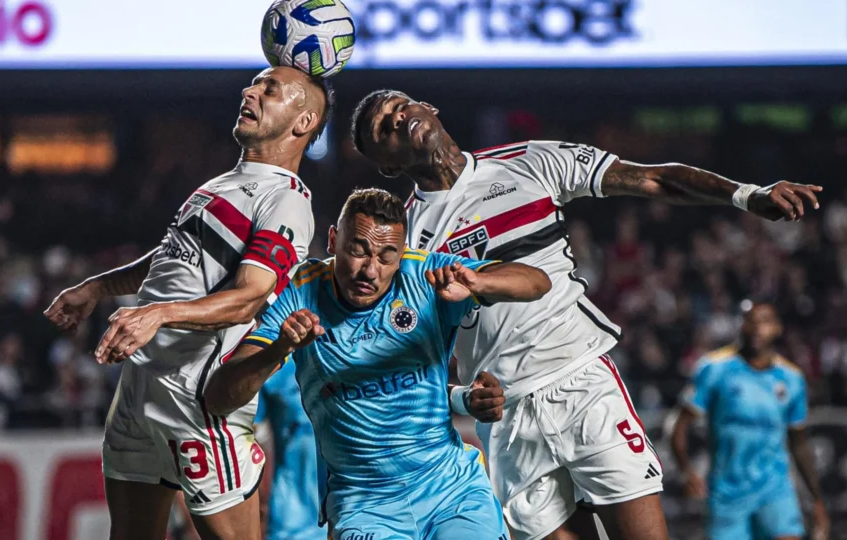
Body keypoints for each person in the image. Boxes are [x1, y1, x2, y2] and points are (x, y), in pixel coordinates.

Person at [349, 89, 823, 540]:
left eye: (399, 106)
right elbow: (401, 361)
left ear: (428, 107)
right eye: (382, 128)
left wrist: (746, 195)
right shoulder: (402, 243)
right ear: (388, 165)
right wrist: (458, 397)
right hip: (506, 414)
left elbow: (653, 178)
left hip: (579, 382)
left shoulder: (531, 162)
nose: (397, 118)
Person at [43, 65, 334, 540]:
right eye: (255, 83)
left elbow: (249, 298)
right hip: (140, 391)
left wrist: (158, 314)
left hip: (196, 403)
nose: (251, 91)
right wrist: (96, 288)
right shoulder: (221, 184)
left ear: (303, 122)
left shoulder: (285, 199)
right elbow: (168, 261)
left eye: (270, 89)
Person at [206, 188, 551, 539]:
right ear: (333, 240)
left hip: (450, 491)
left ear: (401, 254)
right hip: (363, 506)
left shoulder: (424, 275)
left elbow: (537, 282)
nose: (370, 270)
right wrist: (277, 348)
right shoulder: (300, 293)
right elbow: (219, 398)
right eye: (358, 250)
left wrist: (479, 282)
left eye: (387, 257)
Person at [671, 302, 829, 540]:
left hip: (775, 488)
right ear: (740, 325)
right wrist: (686, 471)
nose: (757, 328)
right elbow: (679, 425)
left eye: (764, 322)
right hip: (727, 492)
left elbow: (799, 443)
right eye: (750, 321)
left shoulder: (792, 378)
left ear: (777, 328)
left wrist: (816, 499)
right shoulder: (714, 368)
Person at [255, 359, 325, 540]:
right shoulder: (272, 360)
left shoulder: (360, 352)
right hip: (293, 519)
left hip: (359, 508)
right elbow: (249, 440)